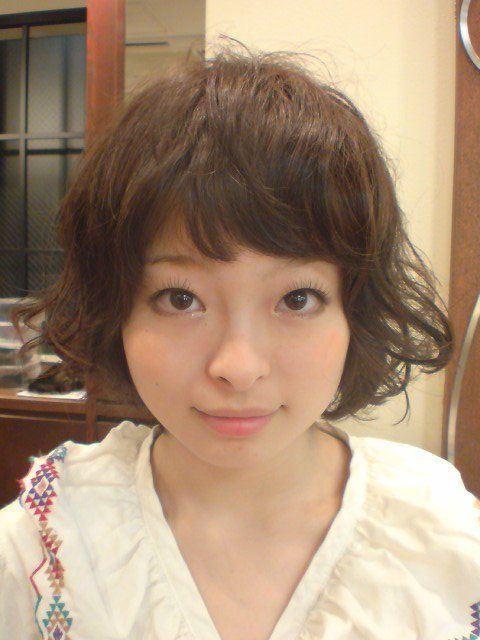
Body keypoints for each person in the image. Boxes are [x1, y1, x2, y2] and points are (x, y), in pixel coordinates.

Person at [1, 35, 479, 640]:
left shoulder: (441, 538)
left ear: (355, 311)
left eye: (297, 298)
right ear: (115, 308)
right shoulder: (45, 550)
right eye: (180, 299)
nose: (238, 366)